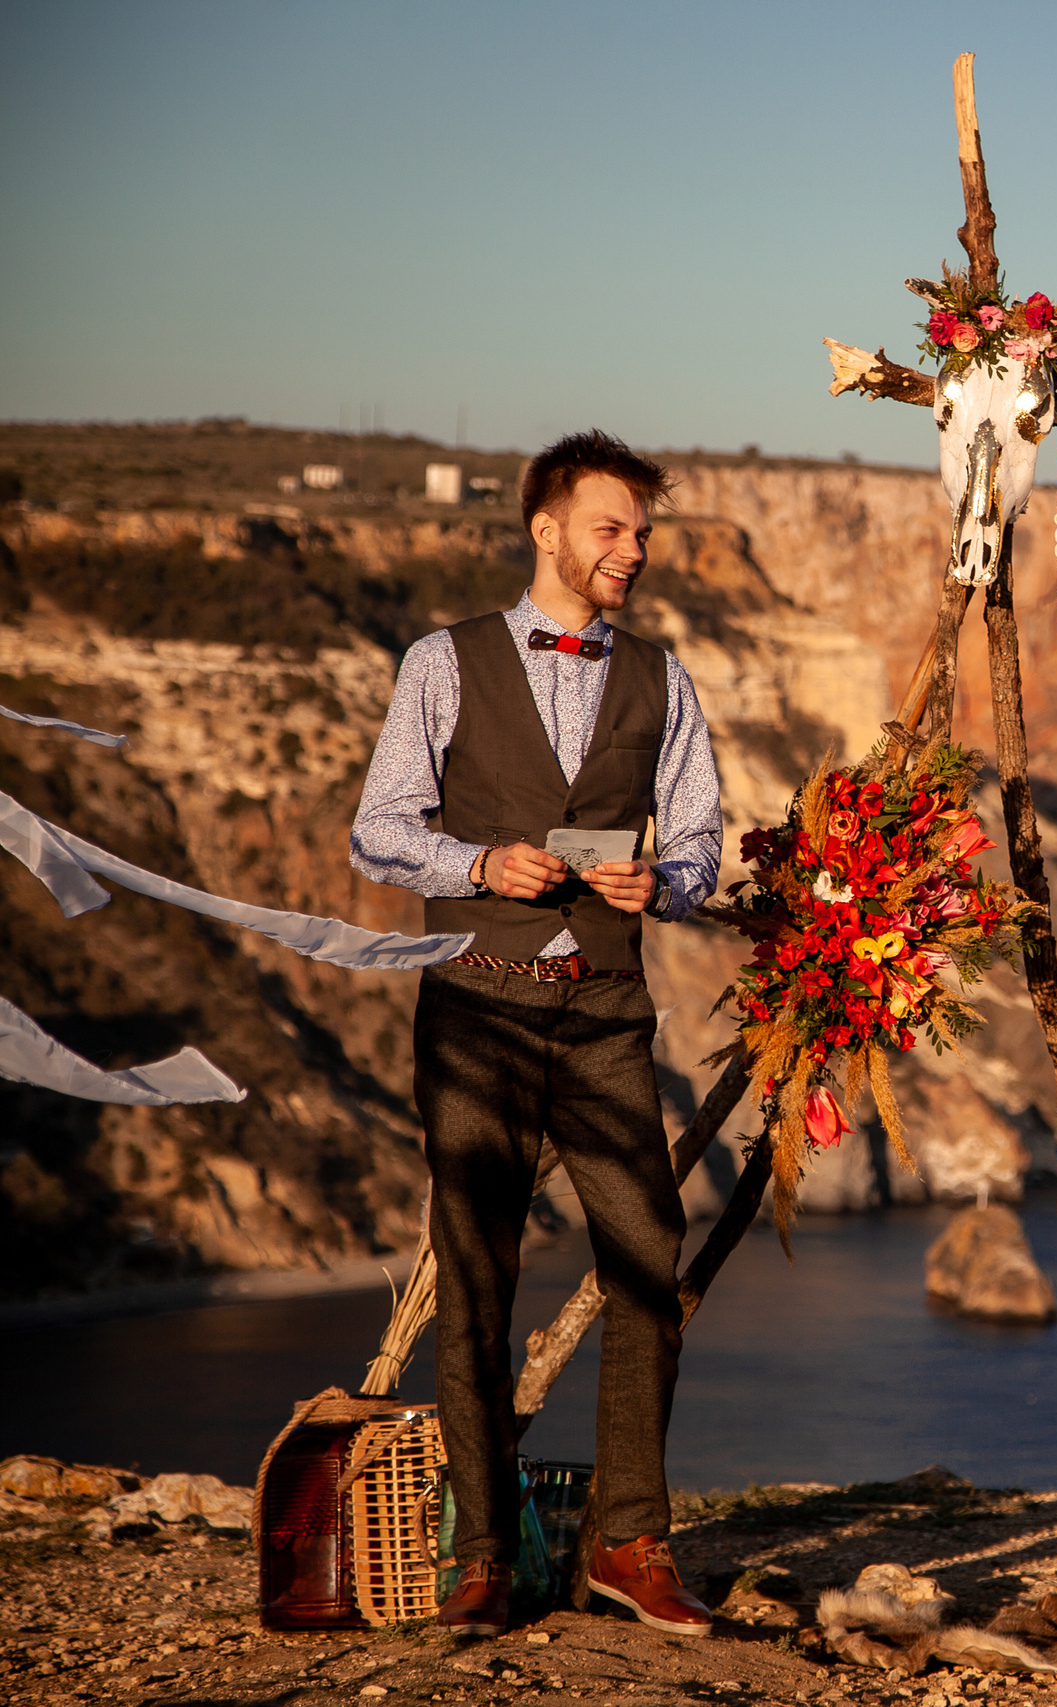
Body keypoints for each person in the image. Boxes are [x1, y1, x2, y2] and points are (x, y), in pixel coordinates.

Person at [350, 430, 724, 1639]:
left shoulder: (664, 678)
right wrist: (475, 861)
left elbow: (703, 845)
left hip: (607, 1008)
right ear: (546, 531)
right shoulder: (442, 663)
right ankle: (480, 1556)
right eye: (612, 529)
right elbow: (378, 828)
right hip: (476, 1002)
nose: (633, 550)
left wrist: (657, 886)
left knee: (646, 1267)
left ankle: (629, 1540)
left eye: (644, 533)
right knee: (477, 1279)